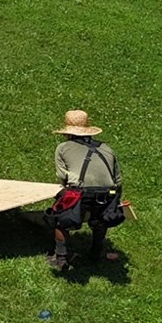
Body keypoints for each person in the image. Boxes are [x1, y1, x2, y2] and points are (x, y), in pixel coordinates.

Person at [47, 109, 122, 270]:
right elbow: (118, 179)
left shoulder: (63, 148)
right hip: (109, 193)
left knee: (59, 219)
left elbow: (63, 176)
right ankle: (96, 254)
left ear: (67, 133)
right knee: (101, 220)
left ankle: (61, 258)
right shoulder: (106, 147)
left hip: (81, 192)